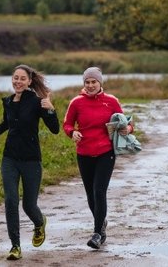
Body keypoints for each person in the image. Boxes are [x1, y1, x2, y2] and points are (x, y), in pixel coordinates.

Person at [0, 64, 60, 260]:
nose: (17, 81)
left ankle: (39, 222)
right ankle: (15, 246)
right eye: (15, 78)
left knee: (28, 205)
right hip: (10, 158)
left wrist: (51, 110)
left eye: (22, 78)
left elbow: (54, 129)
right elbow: (6, 123)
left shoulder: (37, 102)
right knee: (10, 200)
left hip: (31, 160)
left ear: (29, 81)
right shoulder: (8, 102)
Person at [62, 67, 133, 249]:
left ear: (100, 83)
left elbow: (127, 123)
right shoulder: (76, 102)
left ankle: (97, 234)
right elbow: (67, 124)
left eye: (94, 82)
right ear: (84, 84)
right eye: (87, 82)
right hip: (84, 153)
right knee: (90, 194)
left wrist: (128, 129)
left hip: (105, 152)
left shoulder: (111, 101)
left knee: (99, 191)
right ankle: (101, 222)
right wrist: (73, 133)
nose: (91, 85)